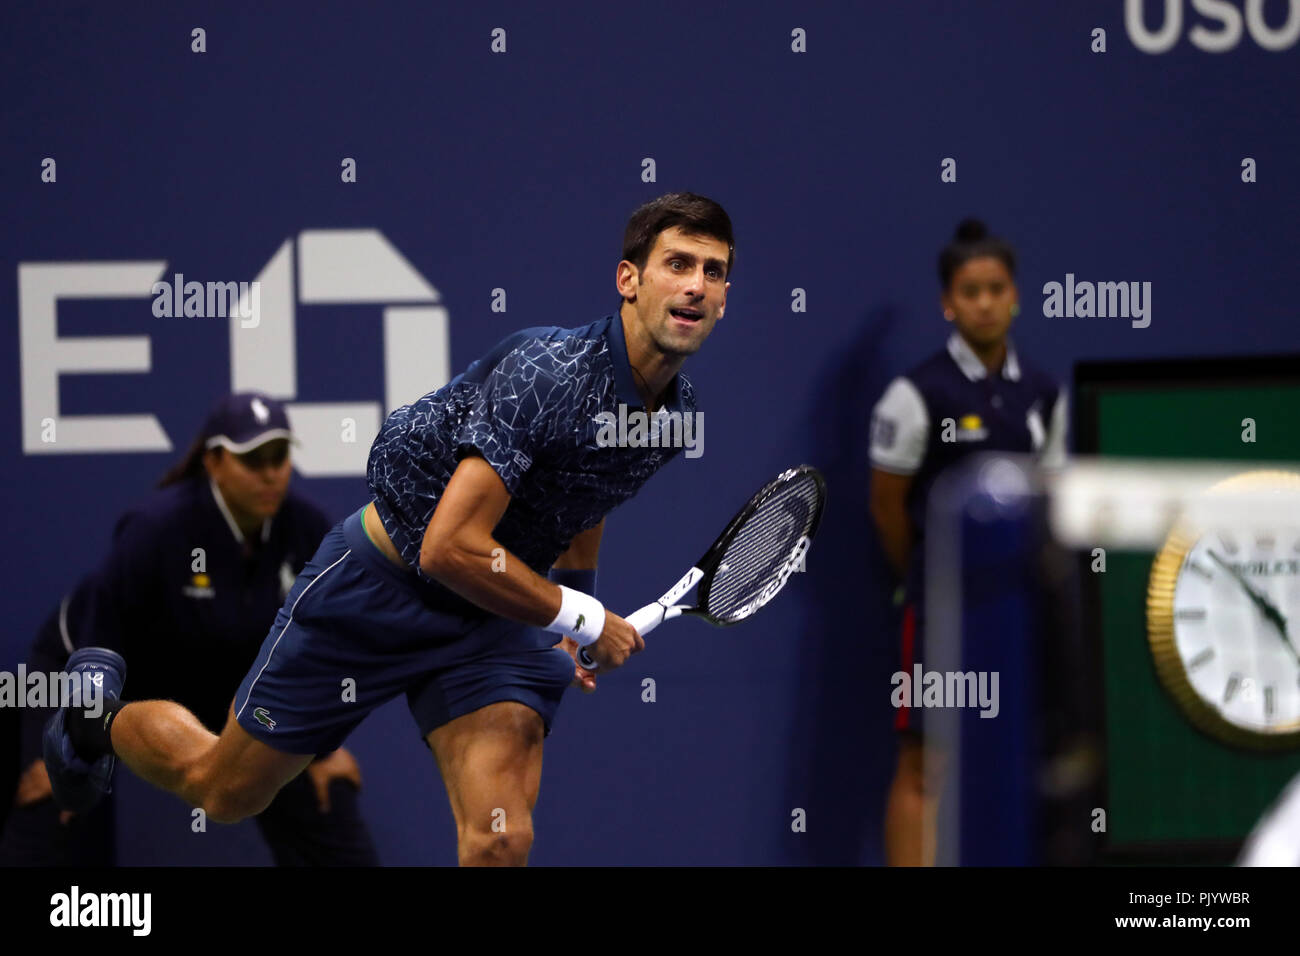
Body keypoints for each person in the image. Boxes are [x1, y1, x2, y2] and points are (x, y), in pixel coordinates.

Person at [44, 191, 733, 866]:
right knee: (222, 790)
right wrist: (584, 616)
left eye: (713, 271)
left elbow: (584, 495)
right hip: (380, 590)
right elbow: (449, 547)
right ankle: (95, 722)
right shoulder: (547, 375)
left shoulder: (676, 415)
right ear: (629, 279)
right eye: (677, 263)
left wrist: (568, 609)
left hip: (490, 624)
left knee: (500, 839)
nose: (695, 286)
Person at [1, 393, 379, 866]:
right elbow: (95, 637)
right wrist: (69, 743)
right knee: (57, 795)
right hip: (105, 675)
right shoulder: (157, 528)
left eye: (278, 456)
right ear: (214, 462)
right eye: (251, 459)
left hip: (229, 688)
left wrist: (324, 749)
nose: (269, 472)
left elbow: (322, 655)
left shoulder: (306, 529)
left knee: (323, 792)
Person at [870, 219, 1066, 866]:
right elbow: (888, 505)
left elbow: (1058, 501)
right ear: (948, 304)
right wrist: (928, 577)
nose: (983, 302)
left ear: (1015, 296)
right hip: (936, 610)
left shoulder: (1043, 393)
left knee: (1026, 759)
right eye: (969, 291)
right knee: (926, 764)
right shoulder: (915, 394)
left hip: (1025, 609)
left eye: (996, 288)